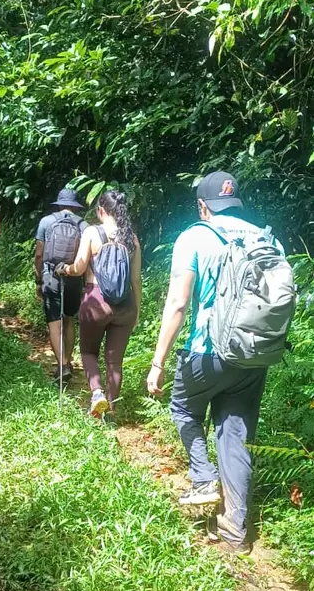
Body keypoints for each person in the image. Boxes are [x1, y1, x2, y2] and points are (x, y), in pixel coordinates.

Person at [146, 170, 285, 552]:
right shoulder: (266, 239)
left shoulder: (195, 236)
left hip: (207, 352)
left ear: (203, 205)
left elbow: (177, 303)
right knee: (236, 436)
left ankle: (203, 478)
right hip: (255, 356)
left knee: (182, 408)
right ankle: (235, 531)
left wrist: (157, 362)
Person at [58, 190, 141, 418]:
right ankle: (112, 407)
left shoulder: (93, 233)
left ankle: (97, 394)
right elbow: (135, 280)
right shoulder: (132, 238)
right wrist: (137, 311)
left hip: (96, 300)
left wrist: (65, 269)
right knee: (115, 361)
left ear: (101, 211)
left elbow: (79, 267)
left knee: (88, 352)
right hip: (125, 305)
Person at [35, 188, 88, 382]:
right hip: (73, 277)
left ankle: (62, 365)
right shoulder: (84, 225)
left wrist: (39, 280)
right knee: (69, 319)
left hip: (51, 277)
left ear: (58, 203)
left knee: (54, 322)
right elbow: (87, 259)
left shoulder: (46, 222)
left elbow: (39, 254)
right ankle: (68, 360)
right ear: (76, 205)